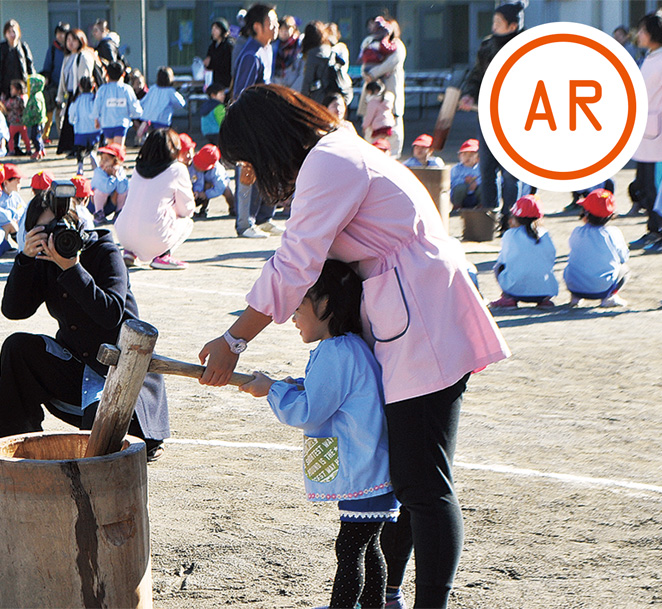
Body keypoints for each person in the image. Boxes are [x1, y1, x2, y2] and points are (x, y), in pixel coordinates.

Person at [200, 84, 509, 609]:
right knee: (405, 475)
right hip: (409, 307)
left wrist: (236, 339)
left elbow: (296, 261)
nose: (249, 175)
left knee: (423, 482)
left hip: (422, 312)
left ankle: (425, 602)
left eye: (248, 161)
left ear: (269, 141)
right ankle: (382, 596)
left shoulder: (329, 160)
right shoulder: (338, 151)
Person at [240, 259, 398, 609]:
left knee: (351, 548)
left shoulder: (337, 351)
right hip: (370, 469)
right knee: (367, 546)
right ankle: (375, 606)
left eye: (298, 307)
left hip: (365, 469)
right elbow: (323, 392)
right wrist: (282, 384)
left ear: (325, 305)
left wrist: (272, 391)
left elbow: (310, 411)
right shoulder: (349, 347)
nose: (292, 318)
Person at [0, 188, 170, 461]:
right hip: (78, 366)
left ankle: (141, 434)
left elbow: (110, 314)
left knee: (96, 448)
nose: (52, 237)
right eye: (42, 230)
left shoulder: (103, 251)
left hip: (120, 370)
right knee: (17, 346)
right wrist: (24, 260)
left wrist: (72, 268)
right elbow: (14, 310)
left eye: (58, 228)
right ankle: (21, 446)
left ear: (75, 224)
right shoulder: (43, 259)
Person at [461, 3, 523, 234]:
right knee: (487, 168)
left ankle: (510, 219)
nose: (493, 26)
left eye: (498, 23)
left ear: (513, 26)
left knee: (510, 174)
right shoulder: (487, 45)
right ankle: (489, 217)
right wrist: (469, 95)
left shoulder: (527, 46)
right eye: (493, 22)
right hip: (486, 116)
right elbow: (476, 75)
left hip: (516, 120)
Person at [114, 128, 195, 270]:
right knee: (187, 222)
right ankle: (163, 256)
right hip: (154, 238)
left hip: (123, 235)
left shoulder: (138, 168)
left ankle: (130, 254)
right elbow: (187, 209)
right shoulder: (177, 169)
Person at [231, 4, 280, 240]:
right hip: (249, 124)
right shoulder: (251, 54)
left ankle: (264, 218)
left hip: (265, 123)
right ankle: (244, 224)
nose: (276, 26)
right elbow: (241, 94)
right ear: (257, 27)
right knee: (247, 172)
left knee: (268, 169)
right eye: (272, 23)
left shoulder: (267, 48)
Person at [629, 9, 662, 253]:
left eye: (644, 30)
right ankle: (652, 231)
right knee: (646, 186)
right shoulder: (651, 56)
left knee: (659, 189)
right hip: (647, 133)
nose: (640, 34)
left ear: (655, 33)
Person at [489, 195, 558, 309]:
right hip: (544, 291)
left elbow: (503, 261)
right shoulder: (545, 234)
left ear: (515, 217)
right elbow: (551, 258)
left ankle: (508, 298)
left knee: (498, 267)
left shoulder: (510, 234)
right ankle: (544, 301)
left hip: (515, 290)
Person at [565, 189, 630, 308]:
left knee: (573, 265)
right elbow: (624, 257)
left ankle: (575, 298)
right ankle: (609, 297)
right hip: (601, 288)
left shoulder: (577, 231)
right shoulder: (613, 232)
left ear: (586, 214)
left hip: (575, 287)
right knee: (624, 268)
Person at [360, 16, 406, 158]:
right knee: (370, 123)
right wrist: (367, 73)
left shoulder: (397, 46)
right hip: (372, 92)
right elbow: (364, 64)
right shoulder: (371, 44)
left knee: (394, 124)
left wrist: (373, 73)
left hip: (390, 92)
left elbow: (392, 62)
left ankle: (394, 156)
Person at [55, 29, 97, 154]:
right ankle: (72, 148)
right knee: (70, 122)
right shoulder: (67, 58)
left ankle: (80, 148)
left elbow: (85, 76)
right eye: (68, 40)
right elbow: (63, 79)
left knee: (76, 121)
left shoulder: (84, 56)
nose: (70, 43)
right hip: (70, 94)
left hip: (80, 94)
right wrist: (60, 96)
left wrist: (81, 91)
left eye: (74, 40)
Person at [298, 21, 351, 107]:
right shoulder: (330, 49)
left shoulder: (312, 54)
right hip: (336, 94)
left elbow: (308, 80)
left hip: (320, 96)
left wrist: (301, 101)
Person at [93, 61, 143, 147]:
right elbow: (134, 106)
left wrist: (96, 119)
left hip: (107, 123)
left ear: (107, 74)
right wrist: (137, 115)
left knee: (111, 147)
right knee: (118, 148)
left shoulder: (102, 89)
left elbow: (97, 106)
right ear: (123, 74)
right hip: (121, 123)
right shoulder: (127, 89)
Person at [39, 23, 70, 141]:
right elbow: (47, 67)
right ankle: (45, 136)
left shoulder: (71, 50)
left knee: (61, 114)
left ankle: (63, 138)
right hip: (54, 86)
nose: (60, 36)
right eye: (58, 33)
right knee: (50, 112)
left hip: (67, 86)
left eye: (62, 33)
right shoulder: (52, 49)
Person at [139, 67, 186, 138]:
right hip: (164, 122)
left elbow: (143, 102)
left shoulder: (153, 88)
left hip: (152, 121)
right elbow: (181, 104)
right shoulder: (170, 91)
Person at [190, 144, 235, 219]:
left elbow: (220, 188)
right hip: (198, 189)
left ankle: (233, 207)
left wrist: (206, 194)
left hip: (214, 186)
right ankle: (201, 209)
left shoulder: (218, 172)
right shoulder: (192, 164)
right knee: (206, 185)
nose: (197, 166)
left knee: (226, 190)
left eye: (201, 165)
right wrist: (196, 192)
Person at [0, 20, 35, 100]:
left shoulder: (23, 47)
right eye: (9, 32)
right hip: (6, 89)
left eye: (14, 31)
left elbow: (29, 66)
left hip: (21, 88)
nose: (12, 34)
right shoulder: (2, 48)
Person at [91, 143, 129, 223]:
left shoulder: (119, 171)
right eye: (102, 159)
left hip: (111, 205)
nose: (102, 162)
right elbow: (105, 189)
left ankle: (119, 212)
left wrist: (116, 176)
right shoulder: (99, 171)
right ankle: (98, 214)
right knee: (99, 192)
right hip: (94, 206)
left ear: (115, 162)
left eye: (106, 160)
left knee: (125, 189)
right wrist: (112, 178)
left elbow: (123, 189)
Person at [68, 76, 99, 175]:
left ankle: (80, 167)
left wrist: (72, 122)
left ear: (79, 86)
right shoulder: (95, 99)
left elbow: (71, 115)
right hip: (94, 129)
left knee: (80, 150)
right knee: (93, 148)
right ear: (93, 86)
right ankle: (94, 160)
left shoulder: (76, 100)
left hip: (80, 130)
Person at [361, 79, 394, 144]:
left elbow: (369, 116)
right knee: (384, 143)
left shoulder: (373, 102)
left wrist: (364, 126)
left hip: (378, 126)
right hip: (388, 125)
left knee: (376, 144)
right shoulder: (386, 100)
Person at [22, 73, 47, 159]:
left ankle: (38, 150)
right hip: (40, 120)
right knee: (38, 135)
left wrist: (31, 114)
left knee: (35, 136)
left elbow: (37, 109)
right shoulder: (38, 94)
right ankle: (41, 149)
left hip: (37, 120)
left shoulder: (35, 96)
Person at [203, 19, 234, 89]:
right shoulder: (212, 46)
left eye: (216, 28)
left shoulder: (228, 46)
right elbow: (210, 64)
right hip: (215, 80)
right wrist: (207, 64)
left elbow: (227, 64)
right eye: (212, 29)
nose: (213, 31)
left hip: (226, 81)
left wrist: (213, 62)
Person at [451, 139, 481, 210]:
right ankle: (457, 206)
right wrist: (463, 181)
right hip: (462, 195)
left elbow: (485, 179)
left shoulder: (480, 168)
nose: (467, 157)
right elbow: (452, 182)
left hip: (475, 194)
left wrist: (476, 183)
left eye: (471, 155)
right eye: (464, 154)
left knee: (483, 188)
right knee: (460, 188)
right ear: (459, 157)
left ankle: (481, 207)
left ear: (478, 158)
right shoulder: (456, 169)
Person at [273, 15, 303, 87]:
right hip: (277, 84)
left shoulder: (299, 45)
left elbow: (301, 71)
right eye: (281, 30)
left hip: (294, 86)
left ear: (293, 29)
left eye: (286, 30)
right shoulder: (274, 46)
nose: (283, 33)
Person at [4, 79, 31, 156]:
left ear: (18, 90)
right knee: (25, 137)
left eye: (12, 89)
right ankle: (28, 149)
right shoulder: (24, 98)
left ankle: (11, 150)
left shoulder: (14, 100)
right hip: (22, 122)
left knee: (10, 137)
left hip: (14, 122)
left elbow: (7, 106)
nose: (11, 91)